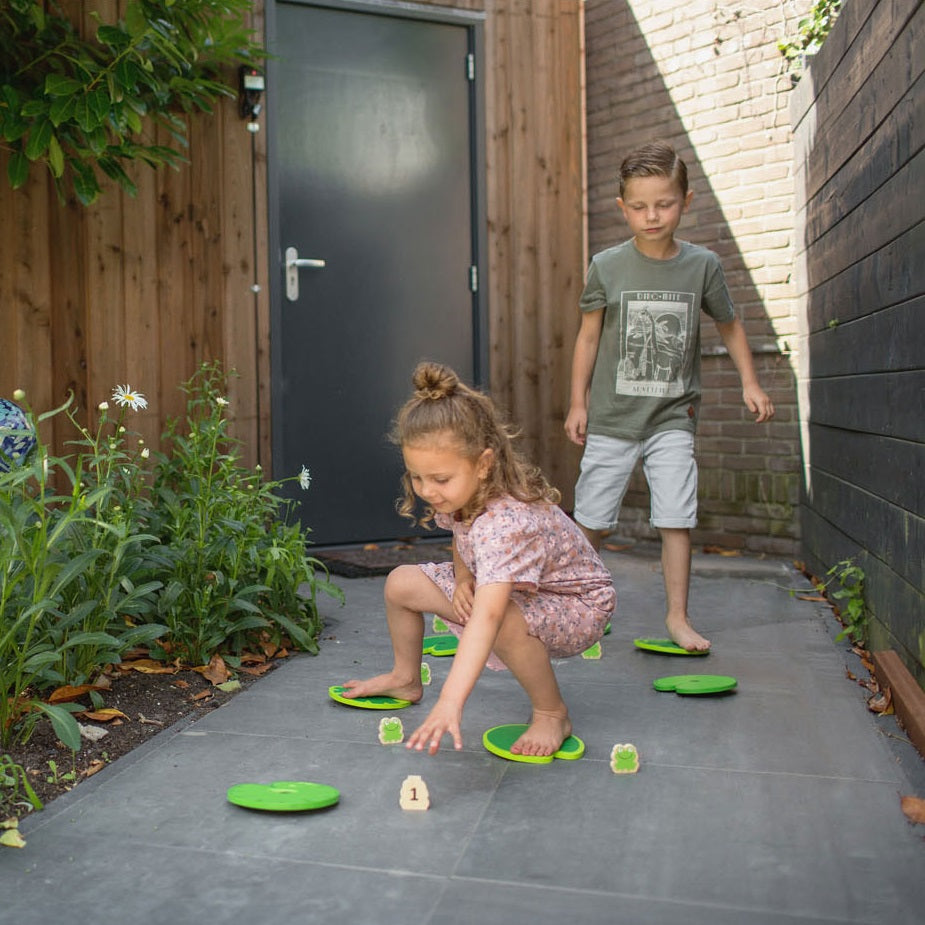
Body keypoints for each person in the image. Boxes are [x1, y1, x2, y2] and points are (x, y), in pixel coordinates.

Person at [341, 362, 616, 758]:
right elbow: (459, 532)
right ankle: (405, 678)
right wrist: (463, 575)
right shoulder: (461, 494)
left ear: (484, 464)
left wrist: (450, 702)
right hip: (516, 588)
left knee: (499, 616)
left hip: (579, 605)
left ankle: (551, 712)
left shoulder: (506, 524)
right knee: (401, 582)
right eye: (417, 477)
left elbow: (487, 617)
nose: (427, 491)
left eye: (439, 479)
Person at [564, 140, 774, 652]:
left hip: (672, 419)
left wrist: (750, 381)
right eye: (638, 206)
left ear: (686, 200)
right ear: (622, 208)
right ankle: (570, 603)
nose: (651, 215)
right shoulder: (607, 266)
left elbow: (729, 324)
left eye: (664, 203)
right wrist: (578, 402)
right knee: (590, 521)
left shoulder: (701, 266)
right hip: (613, 419)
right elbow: (587, 337)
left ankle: (678, 617)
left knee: (676, 518)